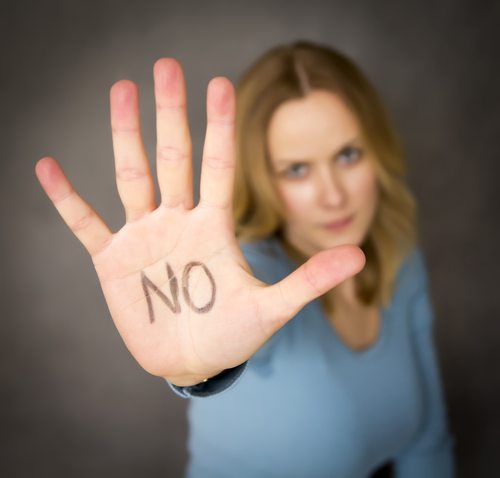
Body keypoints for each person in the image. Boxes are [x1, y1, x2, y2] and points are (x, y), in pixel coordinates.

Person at [36, 41, 455, 477]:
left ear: (378, 152)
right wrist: (199, 370)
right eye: (297, 169)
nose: (334, 196)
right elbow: (230, 320)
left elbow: (427, 441)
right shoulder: (254, 275)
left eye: (347, 155)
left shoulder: (399, 257)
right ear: (262, 180)